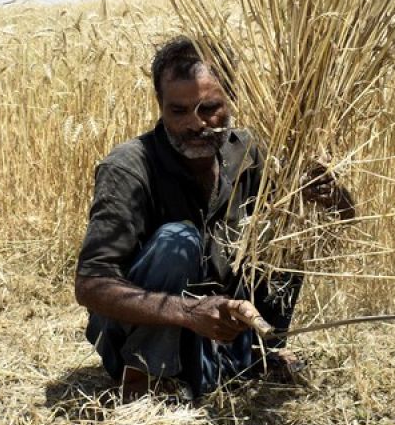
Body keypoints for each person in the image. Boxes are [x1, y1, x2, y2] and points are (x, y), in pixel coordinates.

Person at [75, 37, 354, 402]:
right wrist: (189, 312)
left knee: (286, 227)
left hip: (218, 334)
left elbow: (344, 217)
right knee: (179, 240)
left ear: (231, 99)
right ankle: (147, 381)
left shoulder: (252, 152)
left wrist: (330, 193)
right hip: (147, 336)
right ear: (160, 106)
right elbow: (91, 284)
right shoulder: (129, 167)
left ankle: (259, 353)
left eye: (209, 108)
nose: (196, 124)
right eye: (178, 111)